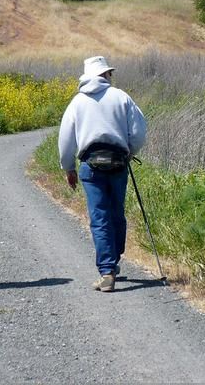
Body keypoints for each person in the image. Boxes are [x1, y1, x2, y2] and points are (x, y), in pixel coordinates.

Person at [58, 55, 147, 292]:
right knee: (117, 213)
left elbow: (66, 139)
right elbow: (139, 132)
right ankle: (113, 259)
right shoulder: (121, 97)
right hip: (118, 163)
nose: (111, 76)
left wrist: (68, 168)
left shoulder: (77, 102)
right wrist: (130, 152)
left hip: (90, 165)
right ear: (105, 74)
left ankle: (107, 271)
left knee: (99, 217)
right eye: (109, 73)